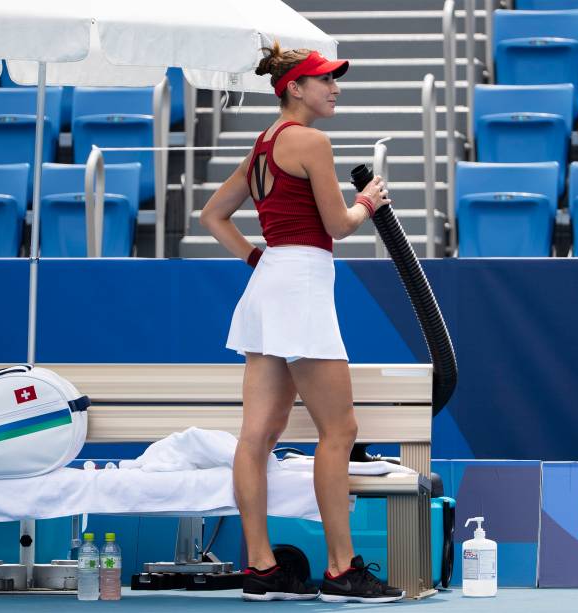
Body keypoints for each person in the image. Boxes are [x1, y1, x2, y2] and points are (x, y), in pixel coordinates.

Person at [199, 42, 403, 604]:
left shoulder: (262, 146)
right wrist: (369, 201)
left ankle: (262, 568)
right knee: (340, 432)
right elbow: (338, 226)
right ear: (295, 88)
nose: (335, 88)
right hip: (303, 283)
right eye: (325, 80)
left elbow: (211, 216)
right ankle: (341, 571)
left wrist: (253, 257)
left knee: (256, 437)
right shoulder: (311, 141)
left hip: (269, 285)